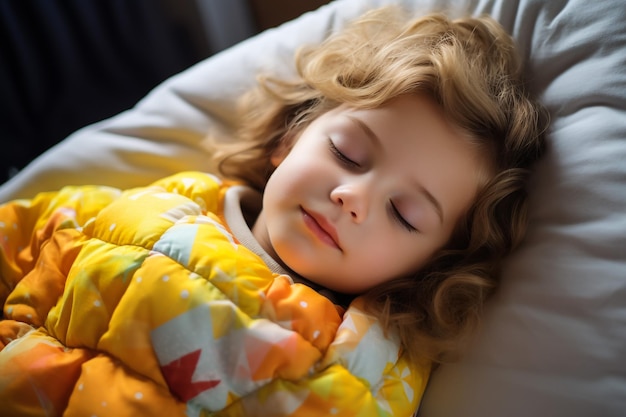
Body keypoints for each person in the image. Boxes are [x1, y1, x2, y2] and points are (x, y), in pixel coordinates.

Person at [0, 6, 547, 417]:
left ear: (430, 266)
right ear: (289, 139)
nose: (351, 198)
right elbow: (20, 234)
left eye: (403, 214)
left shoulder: (372, 360)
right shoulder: (172, 200)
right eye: (347, 154)